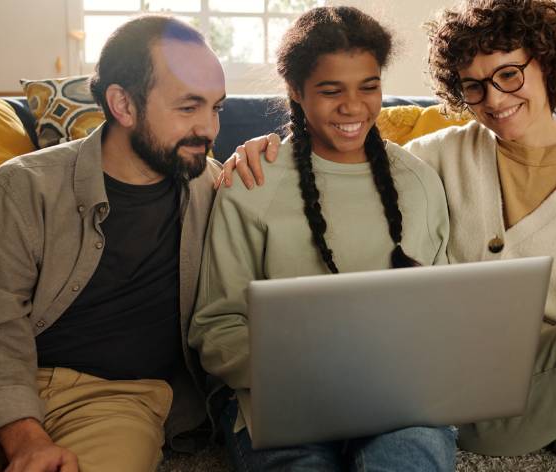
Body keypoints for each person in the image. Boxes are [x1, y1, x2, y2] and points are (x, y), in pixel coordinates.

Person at [216, 1, 556, 470]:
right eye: (474, 85)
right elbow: (352, 140)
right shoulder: (438, 155)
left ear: (546, 63)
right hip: (459, 389)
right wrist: (270, 142)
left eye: (509, 75)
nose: (494, 99)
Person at [0, 16, 223, 472]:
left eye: (216, 107)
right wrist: (25, 440)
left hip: (117, 401)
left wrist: (264, 151)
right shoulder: (20, 186)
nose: (210, 129)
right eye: (188, 108)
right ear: (123, 104)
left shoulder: (214, 186)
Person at [189, 6, 456, 471]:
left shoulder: (418, 181)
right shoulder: (253, 183)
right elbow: (217, 328)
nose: (353, 107)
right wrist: (308, 374)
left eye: (369, 87)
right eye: (331, 91)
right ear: (296, 90)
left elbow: (441, 312)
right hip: (279, 398)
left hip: (395, 399)